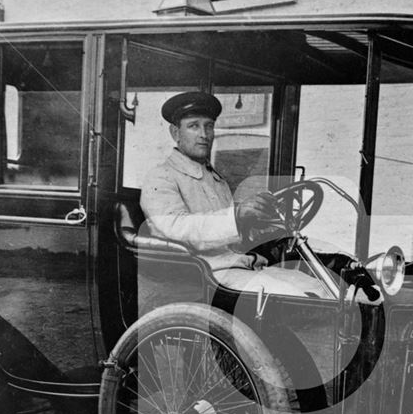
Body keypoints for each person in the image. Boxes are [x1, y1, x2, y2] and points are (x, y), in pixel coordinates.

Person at [140, 91, 326, 297]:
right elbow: (177, 228)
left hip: (239, 265)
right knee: (300, 297)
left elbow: (231, 237)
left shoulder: (216, 179)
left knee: (319, 289)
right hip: (204, 274)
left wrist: (258, 221)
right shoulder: (160, 177)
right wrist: (237, 216)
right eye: (194, 126)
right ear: (175, 133)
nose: (204, 134)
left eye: (208, 126)